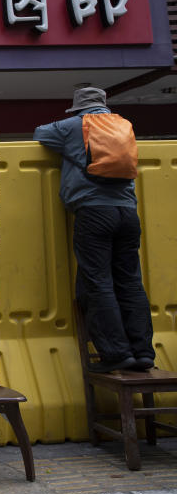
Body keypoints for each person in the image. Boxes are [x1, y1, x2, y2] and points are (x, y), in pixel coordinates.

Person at [33, 87, 154, 373]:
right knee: (131, 281)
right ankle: (144, 351)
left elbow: (40, 133)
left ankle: (116, 353)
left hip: (94, 212)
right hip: (127, 212)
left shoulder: (73, 125)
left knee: (98, 281)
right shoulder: (124, 125)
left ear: (78, 109)